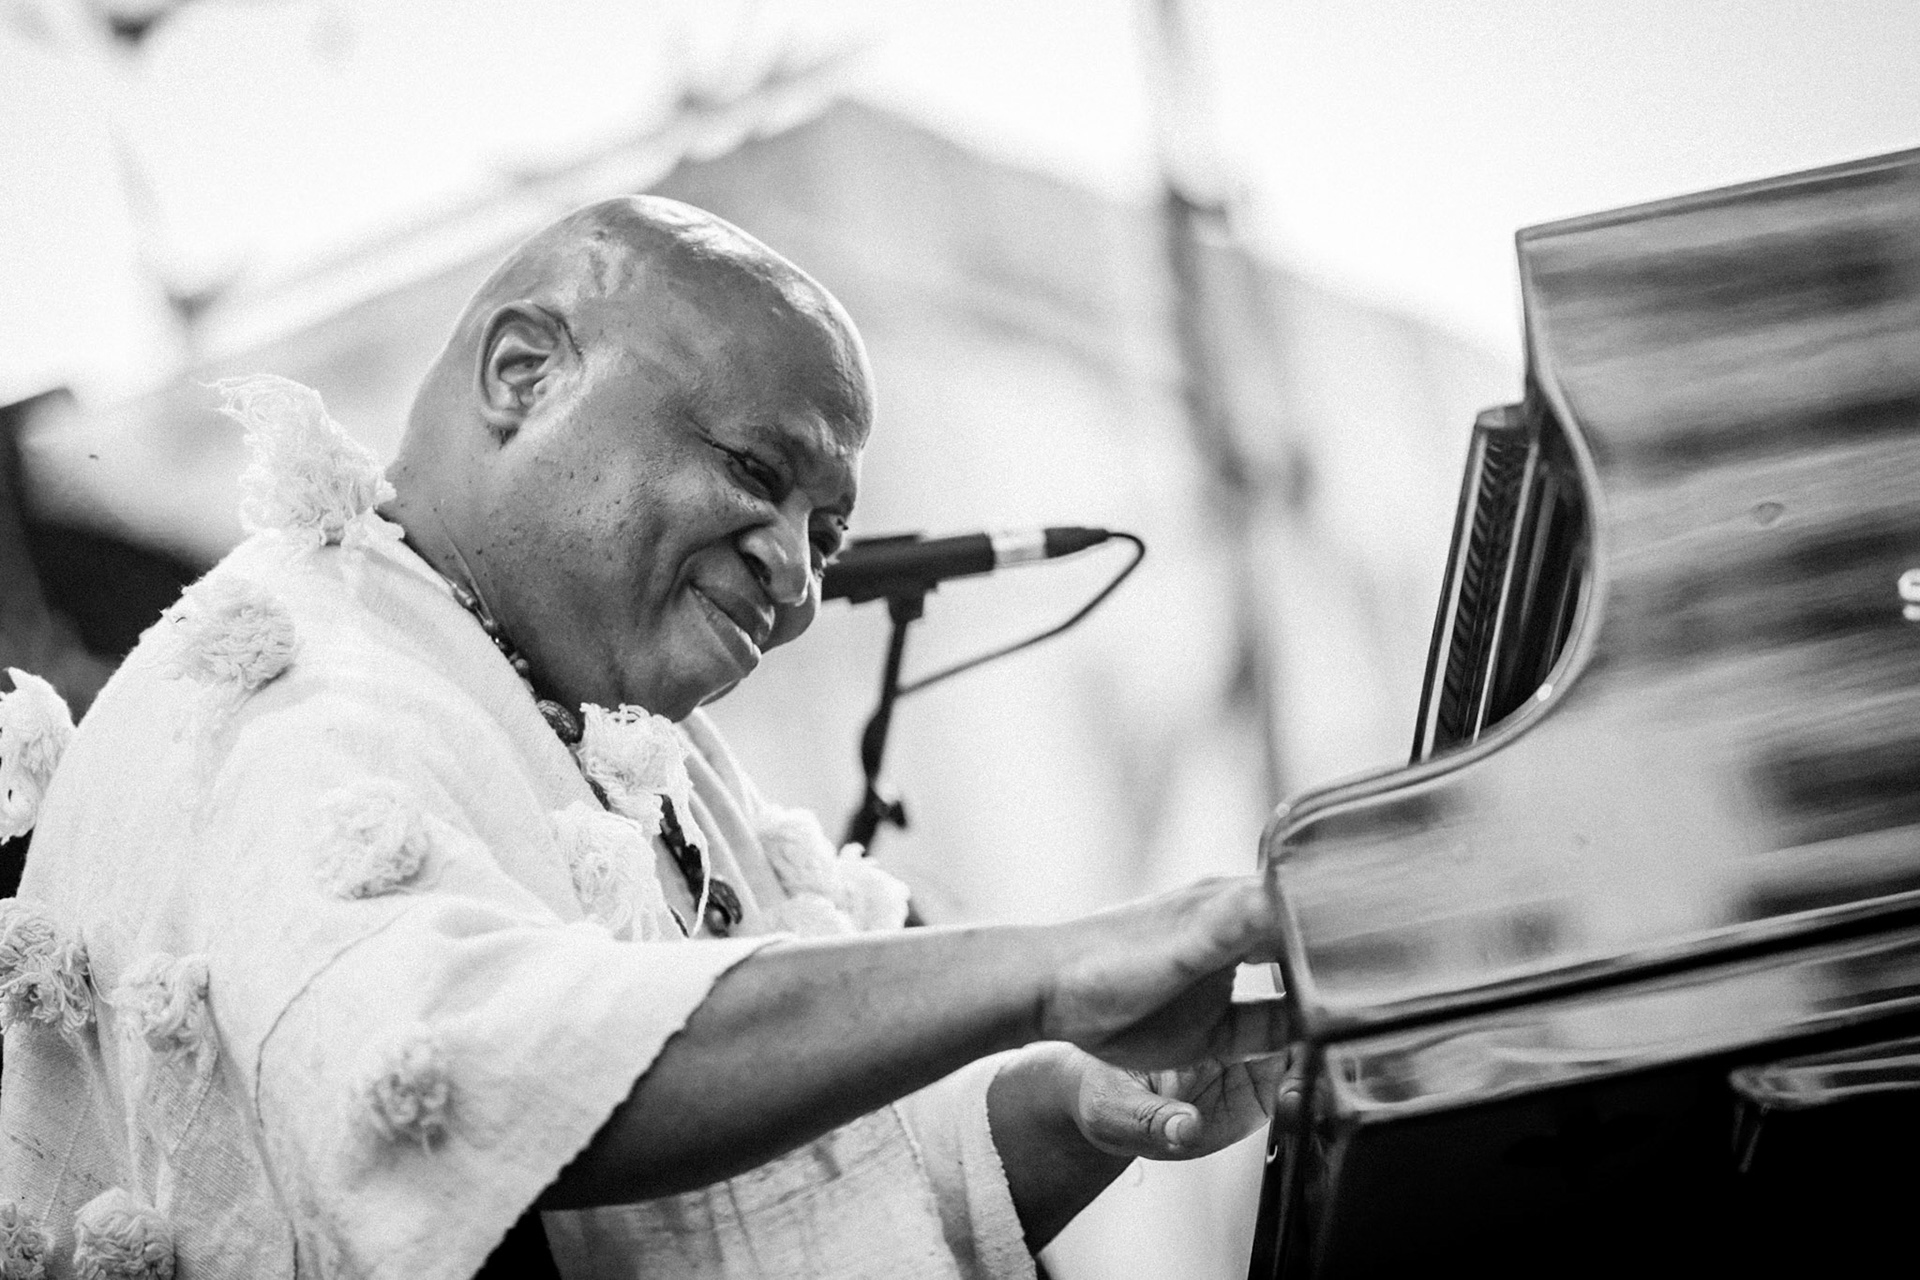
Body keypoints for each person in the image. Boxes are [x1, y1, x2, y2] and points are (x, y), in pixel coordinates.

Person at [0, 196, 1291, 1279]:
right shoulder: (299, 677)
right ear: (525, 374)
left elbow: (796, 1189)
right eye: (754, 473)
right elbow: (475, 1073)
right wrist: (1050, 969)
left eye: (826, 535)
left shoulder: (603, 730)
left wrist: (1088, 1104)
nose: (794, 577)